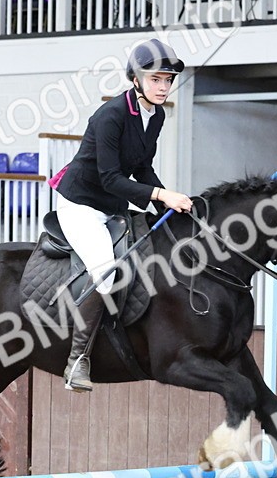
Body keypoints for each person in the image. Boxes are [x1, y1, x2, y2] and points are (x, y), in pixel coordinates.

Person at [50, 38, 195, 393]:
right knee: (106, 272)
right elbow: (110, 178)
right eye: (156, 80)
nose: (163, 87)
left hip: (112, 206)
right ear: (136, 80)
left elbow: (142, 168)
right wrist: (162, 195)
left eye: (167, 81)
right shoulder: (110, 115)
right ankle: (76, 362)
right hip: (81, 205)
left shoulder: (156, 115)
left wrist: (169, 206)